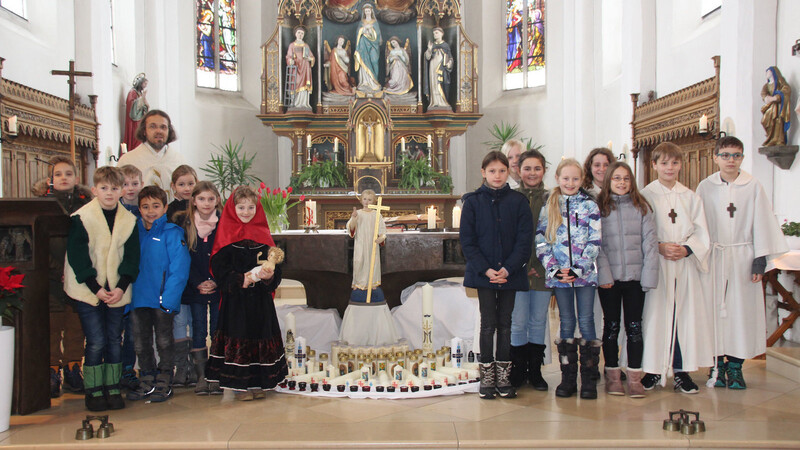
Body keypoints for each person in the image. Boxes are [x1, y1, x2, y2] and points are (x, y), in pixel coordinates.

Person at [696, 136, 788, 390]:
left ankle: (736, 366)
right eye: (725, 155)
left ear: (742, 158)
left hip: (743, 257)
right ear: (715, 157)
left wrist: (759, 261)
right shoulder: (706, 187)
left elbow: (763, 222)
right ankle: (717, 364)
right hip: (714, 257)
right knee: (713, 310)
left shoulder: (753, 185)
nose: (731, 160)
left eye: (736, 155)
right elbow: (698, 224)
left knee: (740, 312)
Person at [64, 166, 140, 411]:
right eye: (104, 188)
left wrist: (121, 286)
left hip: (117, 289)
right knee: (96, 341)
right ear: (95, 190)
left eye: (115, 188)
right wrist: (95, 287)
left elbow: (132, 257)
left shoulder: (129, 220)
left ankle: (113, 388)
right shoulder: (82, 217)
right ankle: (94, 391)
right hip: (88, 290)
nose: (109, 193)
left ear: (122, 191)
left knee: (113, 339)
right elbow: (78, 257)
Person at [640, 142, 712, 394]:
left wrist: (686, 249)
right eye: (664, 163)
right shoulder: (645, 195)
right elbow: (639, 231)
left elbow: (702, 231)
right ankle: (652, 370)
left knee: (683, 318)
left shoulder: (690, 197)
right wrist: (658, 246)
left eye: (674, 163)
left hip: (684, 266)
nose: (669, 168)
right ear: (654, 165)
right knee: (655, 317)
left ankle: (682, 372)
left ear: (681, 164)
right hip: (657, 265)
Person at [460, 151, 533, 400]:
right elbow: (468, 242)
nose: (497, 175)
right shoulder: (472, 202)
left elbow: (524, 241)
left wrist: (509, 269)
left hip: (510, 273)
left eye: (502, 170)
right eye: (492, 171)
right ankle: (487, 377)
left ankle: (503, 377)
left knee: (506, 324)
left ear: (508, 172)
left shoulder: (519, 202)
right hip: (485, 274)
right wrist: (487, 269)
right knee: (488, 324)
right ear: (483, 173)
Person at [205, 186, 288, 400]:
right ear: (232, 209)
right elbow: (219, 268)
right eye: (241, 207)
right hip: (236, 302)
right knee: (239, 337)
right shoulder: (226, 234)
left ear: (257, 208)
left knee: (258, 336)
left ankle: (258, 383)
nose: (246, 211)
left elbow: (274, 267)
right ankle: (238, 385)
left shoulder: (262, 234)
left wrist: (270, 276)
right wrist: (240, 279)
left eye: (251, 207)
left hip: (260, 302)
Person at [536, 158, 602, 400]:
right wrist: (553, 269)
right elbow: (541, 240)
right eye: (566, 178)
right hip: (559, 277)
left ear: (582, 180)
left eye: (575, 179)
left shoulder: (590, 206)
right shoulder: (549, 205)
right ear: (557, 179)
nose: (570, 183)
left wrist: (579, 268)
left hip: (584, 276)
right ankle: (568, 378)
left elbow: (595, 241)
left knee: (586, 321)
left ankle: (589, 379)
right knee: (566, 322)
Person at [595, 162, 659, 398]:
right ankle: (612, 375)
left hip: (635, 277)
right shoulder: (600, 207)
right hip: (609, 278)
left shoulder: (641, 206)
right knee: (611, 327)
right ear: (608, 181)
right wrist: (604, 274)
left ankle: (634, 377)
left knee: (634, 328)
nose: (622, 183)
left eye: (626, 179)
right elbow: (596, 245)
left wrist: (648, 276)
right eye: (617, 179)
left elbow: (650, 243)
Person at [126, 186, 190, 403]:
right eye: (145, 207)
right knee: (141, 342)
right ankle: (147, 377)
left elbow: (179, 268)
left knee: (164, 340)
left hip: (162, 299)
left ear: (165, 207)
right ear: (139, 209)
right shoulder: (131, 231)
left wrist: (169, 298)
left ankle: (164, 378)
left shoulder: (172, 233)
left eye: (155, 206)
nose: (150, 211)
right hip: (137, 298)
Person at [38, 156, 92, 398]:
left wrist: (75, 270)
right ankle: (52, 370)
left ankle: (73, 367)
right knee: (52, 323)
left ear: (76, 178)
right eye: (58, 174)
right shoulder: (41, 205)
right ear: (50, 179)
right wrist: (57, 269)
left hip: (79, 274)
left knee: (75, 324)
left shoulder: (87, 205)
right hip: (51, 274)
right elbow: (39, 242)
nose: (63, 178)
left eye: (68, 174)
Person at [174, 181, 223, 395]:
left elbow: (225, 255)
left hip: (218, 286)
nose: (206, 203)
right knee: (199, 330)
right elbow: (184, 259)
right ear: (193, 201)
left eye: (211, 199)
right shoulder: (185, 225)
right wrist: (197, 282)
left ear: (217, 201)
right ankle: (202, 375)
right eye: (201, 199)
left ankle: (216, 374)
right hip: (194, 288)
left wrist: (215, 280)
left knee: (217, 330)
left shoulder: (223, 224)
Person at [510, 149, 552, 391]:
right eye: (527, 168)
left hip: (544, 271)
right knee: (518, 321)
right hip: (518, 272)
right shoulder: (512, 198)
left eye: (537, 168)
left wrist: (539, 265)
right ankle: (517, 371)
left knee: (537, 321)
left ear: (544, 170)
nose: (532, 173)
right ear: (518, 170)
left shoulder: (552, 198)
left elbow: (555, 235)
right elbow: (509, 237)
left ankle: (535, 372)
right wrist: (522, 266)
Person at [338, 189, 399, 346]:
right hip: (361, 246)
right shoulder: (358, 213)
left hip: (372, 248)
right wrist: (353, 219)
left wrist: (381, 238)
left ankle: (371, 285)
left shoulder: (377, 214)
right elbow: (351, 229)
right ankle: (361, 285)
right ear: (361, 200)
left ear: (374, 201)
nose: (367, 201)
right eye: (364, 199)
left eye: (370, 199)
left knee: (372, 266)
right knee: (360, 264)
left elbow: (383, 231)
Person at [117, 110, 186, 200]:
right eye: (153, 127)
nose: (159, 131)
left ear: (169, 131)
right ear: (144, 131)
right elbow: (117, 192)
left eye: (163, 127)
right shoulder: (127, 160)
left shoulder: (179, 160)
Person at [117, 164, 144, 391]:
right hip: (119, 279)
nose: (130, 188)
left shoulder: (146, 211)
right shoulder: (115, 211)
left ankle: (129, 368)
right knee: (117, 329)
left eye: (134, 183)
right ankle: (115, 369)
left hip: (141, 280)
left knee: (134, 330)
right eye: (125, 184)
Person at [760, 66, 792, 147]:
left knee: (778, 120)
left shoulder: (780, 82)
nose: (767, 73)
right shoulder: (766, 85)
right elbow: (763, 94)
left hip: (778, 107)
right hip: (770, 105)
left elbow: (786, 89)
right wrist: (767, 98)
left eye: (768, 71)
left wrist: (777, 97)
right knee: (764, 120)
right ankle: (771, 138)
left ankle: (779, 140)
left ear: (773, 72)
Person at [354, 4, 382, 93]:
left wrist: (371, 30)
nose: (367, 12)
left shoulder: (375, 22)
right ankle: (365, 82)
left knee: (374, 61)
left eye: (368, 11)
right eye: (366, 11)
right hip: (363, 45)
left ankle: (374, 81)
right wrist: (363, 29)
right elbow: (358, 33)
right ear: (364, 12)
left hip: (373, 45)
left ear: (371, 11)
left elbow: (377, 35)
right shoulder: (362, 22)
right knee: (364, 62)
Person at [286, 26, 316, 109]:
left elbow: (312, 57)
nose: (300, 35)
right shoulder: (292, 45)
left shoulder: (306, 45)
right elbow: (288, 56)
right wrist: (290, 61)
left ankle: (304, 103)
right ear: (295, 34)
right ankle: (295, 103)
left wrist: (310, 59)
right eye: (299, 33)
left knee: (305, 85)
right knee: (295, 83)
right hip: (295, 68)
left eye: (302, 33)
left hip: (305, 68)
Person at [423, 27, 453, 109]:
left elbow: (450, 58)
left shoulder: (445, 45)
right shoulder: (432, 45)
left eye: (436, 33)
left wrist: (449, 63)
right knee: (434, 83)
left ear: (442, 33)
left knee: (442, 83)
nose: (435, 35)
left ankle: (443, 102)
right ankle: (435, 101)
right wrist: (429, 50)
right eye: (434, 33)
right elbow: (427, 57)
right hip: (433, 67)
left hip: (442, 68)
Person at [123, 73, 149, 153]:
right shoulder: (132, 92)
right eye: (144, 84)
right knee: (135, 136)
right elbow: (131, 104)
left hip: (140, 119)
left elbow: (145, 106)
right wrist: (142, 99)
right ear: (140, 83)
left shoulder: (139, 93)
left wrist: (145, 104)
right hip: (134, 120)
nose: (145, 86)